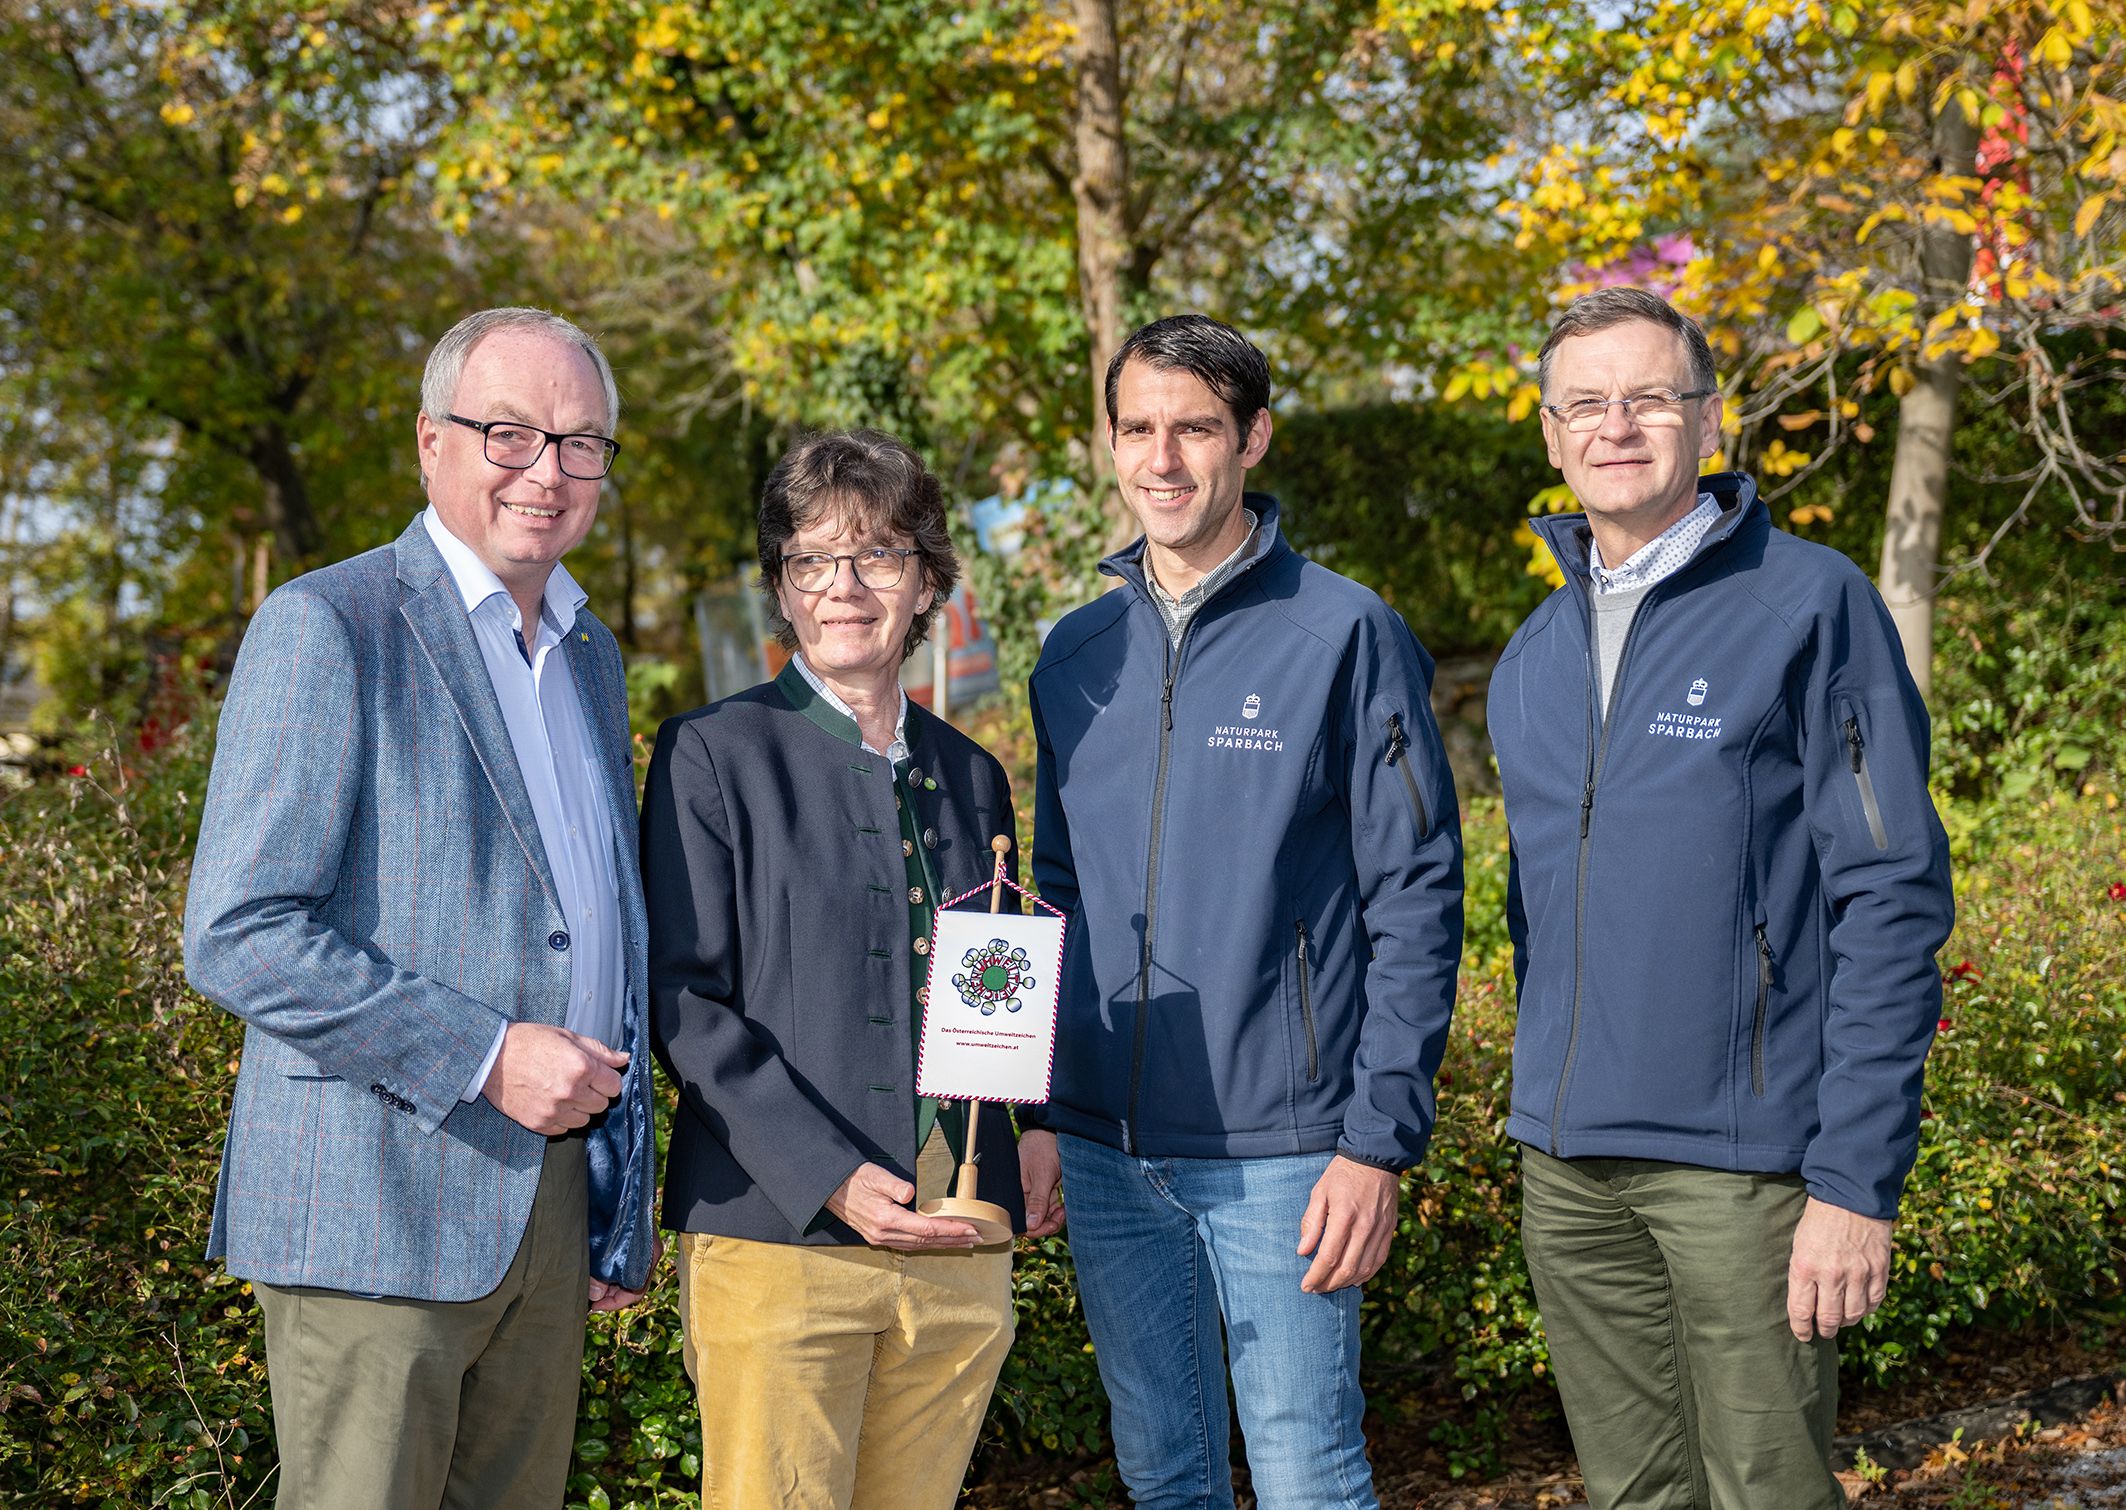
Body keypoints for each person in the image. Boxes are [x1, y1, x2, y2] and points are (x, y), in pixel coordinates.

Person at [1487, 285, 1957, 1508]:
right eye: (1584, 403)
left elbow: (1890, 893)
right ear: (1549, 434)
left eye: (1648, 396)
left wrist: (1853, 1179)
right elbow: (1534, 911)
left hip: (1743, 1172)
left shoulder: (1806, 604)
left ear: (1705, 419)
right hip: (1568, 1166)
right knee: (1630, 1493)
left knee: (1765, 1490)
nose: (1616, 425)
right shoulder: (1532, 653)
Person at [182, 306, 657, 1510]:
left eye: (579, 442)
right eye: (510, 433)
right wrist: (485, 1051)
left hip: (545, 1206)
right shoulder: (329, 626)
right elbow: (238, 931)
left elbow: (588, 926)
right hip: (374, 1209)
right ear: (428, 442)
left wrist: (609, 1206)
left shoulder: (588, 653)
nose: (546, 471)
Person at [1023, 315, 1465, 1508]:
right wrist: (1031, 1110)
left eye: (1195, 428)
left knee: (1308, 1472)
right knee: (1160, 1474)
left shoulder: (1344, 634)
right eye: (1137, 429)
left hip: (1287, 1152)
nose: (1161, 459)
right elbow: (1051, 896)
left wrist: (1376, 1140)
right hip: (1107, 1153)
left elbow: (1415, 894)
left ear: (1252, 438)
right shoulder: (1072, 656)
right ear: (1110, 445)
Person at [641, 428, 1059, 1510]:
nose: (842, 587)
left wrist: (1032, 1125)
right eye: (810, 561)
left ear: (925, 580)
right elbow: (681, 997)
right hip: (778, 1236)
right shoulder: (710, 754)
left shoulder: (974, 776)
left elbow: (996, 976)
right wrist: (825, 1170)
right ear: (780, 586)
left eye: (874, 554)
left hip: (960, 1233)